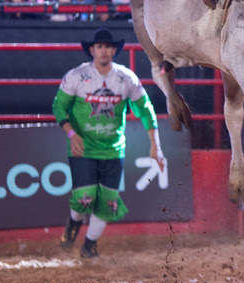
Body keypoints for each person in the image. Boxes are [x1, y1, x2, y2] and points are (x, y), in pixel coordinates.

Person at [53, 29, 166, 258]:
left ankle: (89, 245)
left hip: (114, 151)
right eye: (99, 46)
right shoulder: (76, 76)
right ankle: (74, 223)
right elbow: (58, 106)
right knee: (84, 198)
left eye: (107, 46)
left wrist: (156, 145)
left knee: (108, 203)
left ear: (114, 50)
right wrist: (71, 133)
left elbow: (145, 111)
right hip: (82, 148)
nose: (103, 51)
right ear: (92, 50)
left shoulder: (127, 79)